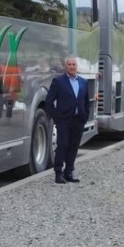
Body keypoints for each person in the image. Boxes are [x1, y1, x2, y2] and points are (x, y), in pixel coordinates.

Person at [46, 56, 89, 184]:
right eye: (69, 64)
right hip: (63, 120)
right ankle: (58, 172)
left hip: (78, 120)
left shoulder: (83, 82)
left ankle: (69, 172)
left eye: (73, 64)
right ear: (66, 66)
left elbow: (87, 101)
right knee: (63, 145)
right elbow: (49, 102)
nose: (71, 66)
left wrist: (85, 116)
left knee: (74, 147)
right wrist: (57, 117)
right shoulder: (58, 82)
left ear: (77, 66)